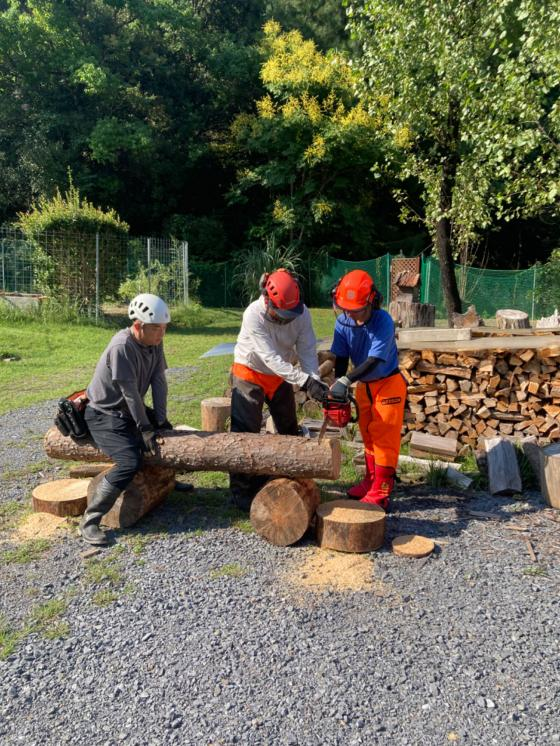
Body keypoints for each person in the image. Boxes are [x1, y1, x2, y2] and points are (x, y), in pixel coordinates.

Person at [229, 268, 328, 510]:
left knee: (288, 427)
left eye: (290, 314)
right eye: (281, 313)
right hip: (249, 371)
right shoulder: (253, 314)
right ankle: (241, 491)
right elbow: (269, 357)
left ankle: (287, 476)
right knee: (245, 433)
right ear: (267, 299)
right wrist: (303, 381)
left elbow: (306, 349)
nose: (286, 319)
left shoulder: (301, 314)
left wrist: (314, 379)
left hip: (280, 374)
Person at [79, 293, 173, 545]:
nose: (161, 334)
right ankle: (90, 520)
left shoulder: (154, 342)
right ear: (138, 326)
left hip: (127, 408)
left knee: (167, 434)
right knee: (129, 461)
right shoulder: (121, 347)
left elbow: (158, 381)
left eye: (164, 329)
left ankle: (165, 481)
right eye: (157, 329)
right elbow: (130, 394)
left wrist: (160, 422)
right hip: (104, 414)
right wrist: (144, 428)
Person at [330, 269, 406, 511]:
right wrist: (336, 387)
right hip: (365, 385)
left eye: (356, 310)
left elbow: (374, 360)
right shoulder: (343, 322)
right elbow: (340, 357)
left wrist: (346, 380)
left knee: (384, 437)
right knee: (368, 435)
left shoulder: (382, 321)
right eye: (347, 309)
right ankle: (370, 481)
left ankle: (382, 491)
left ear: (372, 301)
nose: (351, 315)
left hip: (388, 383)